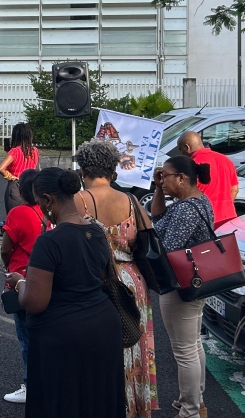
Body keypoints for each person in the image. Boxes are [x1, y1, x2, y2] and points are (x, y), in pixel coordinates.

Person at [4, 168, 126, 418]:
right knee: (97, 399)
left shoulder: (49, 242)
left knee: (65, 402)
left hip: (65, 334)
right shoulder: (97, 231)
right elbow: (102, 277)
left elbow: (35, 302)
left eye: (40, 202)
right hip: (104, 326)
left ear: (48, 200)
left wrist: (19, 283)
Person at [76, 140, 158, 418]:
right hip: (132, 280)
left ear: (83, 169)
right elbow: (147, 237)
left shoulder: (79, 201)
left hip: (95, 280)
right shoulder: (132, 201)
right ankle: (134, 407)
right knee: (134, 341)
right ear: (113, 170)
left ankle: (106, 406)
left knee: (99, 348)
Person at [149, 155, 215, 418]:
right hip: (195, 281)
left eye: (165, 176)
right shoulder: (196, 201)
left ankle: (190, 411)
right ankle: (196, 402)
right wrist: (158, 189)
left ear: (181, 178)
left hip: (181, 283)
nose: (162, 180)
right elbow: (157, 218)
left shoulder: (186, 209)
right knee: (192, 344)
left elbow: (167, 248)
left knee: (184, 350)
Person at [0, 169, 48, 404]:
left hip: (21, 278)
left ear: (21, 190)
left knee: (27, 337)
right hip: (47, 279)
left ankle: (30, 385)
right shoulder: (49, 211)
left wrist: (8, 267)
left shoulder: (18, 213)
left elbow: (5, 248)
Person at [176, 131, 238, 229]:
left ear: (187, 147)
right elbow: (234, 189)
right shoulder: (226, 160)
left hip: (204, 222)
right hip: (229, 220)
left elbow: (185, 195)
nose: (181, 153)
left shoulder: (191, 166)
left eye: (181, 149)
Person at [0, 123, 40, 215]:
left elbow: (1, 168)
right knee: (30, 214)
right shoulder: (35, 151)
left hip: (16, 185)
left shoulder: (15, 151)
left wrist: (10, 177)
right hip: (31, 186)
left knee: (14, 215)